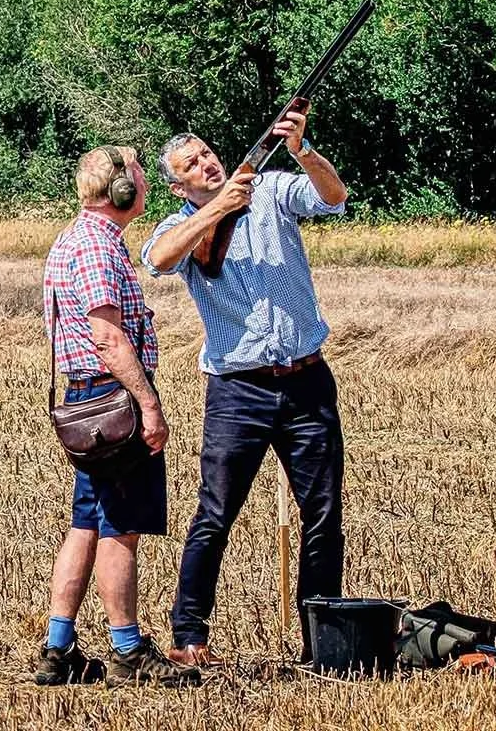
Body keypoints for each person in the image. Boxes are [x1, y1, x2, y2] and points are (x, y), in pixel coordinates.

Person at [140, 107, 352, 668]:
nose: (207, 164)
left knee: (323, 514)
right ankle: (188, 636)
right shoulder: (178, 226)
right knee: (215, 513)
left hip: (307, 381)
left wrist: (303, 150)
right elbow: (159, 259)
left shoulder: (274, 190)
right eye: (192, 165)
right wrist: (217, 209)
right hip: (239, 390)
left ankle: (322, 644)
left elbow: (332, 197)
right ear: (176, 183)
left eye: (208, 154)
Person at [33, 145, 197, 688]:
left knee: (85, 525)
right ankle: (127, 649)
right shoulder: (99, 249)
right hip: (113, 402)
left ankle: (58, 649)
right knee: (121, 527)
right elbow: (107, 334)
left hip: (87, 401)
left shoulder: (75, 238)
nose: (146, 186)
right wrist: (148, 403)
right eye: (141, 178)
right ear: (121, 191)